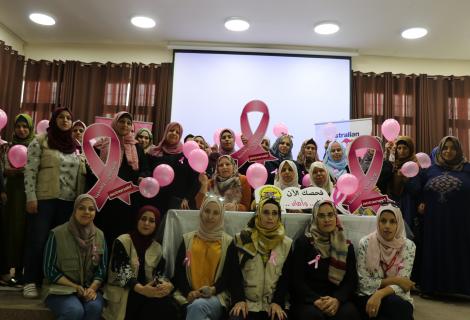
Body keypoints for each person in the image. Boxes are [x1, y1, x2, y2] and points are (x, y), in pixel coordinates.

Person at [23, 107, 87, 298]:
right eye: (61, 117)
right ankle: (30, 281)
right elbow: (30, 170)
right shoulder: (41, 140)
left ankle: (50, 279)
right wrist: (31, 197)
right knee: (38, 240)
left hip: (68, 202)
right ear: (54, 120)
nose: (65, 120)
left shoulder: (75, 144)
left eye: (69, 117)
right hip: (44, 199)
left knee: (59, 244)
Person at [103, 205, 179, 320]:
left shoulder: (157, 248)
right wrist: (143, 290)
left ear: (156, 225)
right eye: (143, 219)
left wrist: (164, 286)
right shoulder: (122, 241)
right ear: (137, 220)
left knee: (169, 306)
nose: (146, 223)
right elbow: (123, 273)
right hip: (125, 293)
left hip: (147, 293)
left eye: (152, 221)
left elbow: (159, 275)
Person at [417, 136, 470, 296]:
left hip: (460, 221)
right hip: (435, 220)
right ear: (440, 150)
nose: (449, 151)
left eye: (453, 148)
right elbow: (419, 190)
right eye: (445, 148)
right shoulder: (430, 169)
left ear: (459, 150)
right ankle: (433, 288)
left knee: (459, 250)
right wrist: (421, 202)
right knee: (435, 250)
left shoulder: (467, 168)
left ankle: (460, 289)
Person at [291, 200, 360, 320]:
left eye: (330, 214)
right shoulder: (304, 243)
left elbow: (351, 280)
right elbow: (296, 279)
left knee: (349, 314)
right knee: (312, 316)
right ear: (315, 218)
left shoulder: (346, 246)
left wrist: (337, 300)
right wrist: (315, 300)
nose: (327, 219)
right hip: (308, 299)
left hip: (336, 298)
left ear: (336, 217)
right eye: (321, 216)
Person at [173, 196, 240, 320]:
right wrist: (189, 292)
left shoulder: (228, 242)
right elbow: (179, 271)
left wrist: (214, 289)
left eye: (215, 213)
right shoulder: (188, 239)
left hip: (216, 296)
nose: (210, 216)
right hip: (187, 295)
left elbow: (229, 275)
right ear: (201, 212)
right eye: (207, 211)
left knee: (198, 306)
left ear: (221, 216)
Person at [43, 194, 107, 320]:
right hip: (60, 290)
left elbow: (102, 267)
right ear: (75, 210)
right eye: (81, 208)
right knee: (74, 311)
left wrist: (92, 288)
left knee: (94, 308)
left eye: (91, 209)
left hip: (89, 288)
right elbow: (49, 269)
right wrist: (75, 287)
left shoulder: (100, 235)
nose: (86, 212)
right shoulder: (57, 234)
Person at [93, 111, 149, 251]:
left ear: (132, 127)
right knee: (106, 234)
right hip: (108, 199)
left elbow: (146, 169)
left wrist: (142, 175)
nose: (125, 125)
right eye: (122, 121)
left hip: (129, 199)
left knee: (126, 236)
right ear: (115, 123)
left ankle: (121, 268)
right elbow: (92, 168)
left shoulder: (137, 147)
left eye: (128, 123)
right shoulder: (102, 144)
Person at [230, 198, 292, 320]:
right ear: (258, 214)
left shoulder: (286, 243)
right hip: (247, 303)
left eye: (275, 213)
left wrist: (277, 302)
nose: (270, 217)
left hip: (272, 304)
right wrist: (239, 300)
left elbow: (286, 277)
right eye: (266, 212)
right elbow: (233, 273)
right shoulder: (242, 239)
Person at [355, 203, 415, 320]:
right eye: (383, 221)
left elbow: (404, 286)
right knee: (398, 310)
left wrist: (380, 293)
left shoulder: (408, 246)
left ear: (399, 223)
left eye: (392, 221)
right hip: (368, 296)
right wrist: (396, 280)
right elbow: (363, 284)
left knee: (398, 306)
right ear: (378, 222)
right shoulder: (366, 243)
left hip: (396, 297)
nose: (387, 226)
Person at [0, 113, 34, 288]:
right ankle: (6, 270)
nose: (22, 130)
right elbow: (2, 169)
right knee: (8, 230)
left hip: (28, 194)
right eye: (18, 126)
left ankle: (21, 271)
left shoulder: (35, 147)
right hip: (10, 194)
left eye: (25, 127)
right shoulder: (7, 147)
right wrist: (8, 173)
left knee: (25, 231)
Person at [148, 122, 199, 214]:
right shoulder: (154, 152)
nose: (174, 133)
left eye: (177, 132)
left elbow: (195, 180)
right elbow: (148, 172)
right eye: (171, 130)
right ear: (166, 132)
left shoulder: (186, 155)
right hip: (156, 200)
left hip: (178, 203)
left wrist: (187, 198)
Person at [383, 136, 420, 230]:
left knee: (406, 232)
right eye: (399, 148)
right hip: (393, 203)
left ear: (410, 149)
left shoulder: (415, 165)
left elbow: (417, 190)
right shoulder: (393, 164)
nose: (402, 151)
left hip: (408, 205)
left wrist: (405, 178)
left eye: (405, 148)